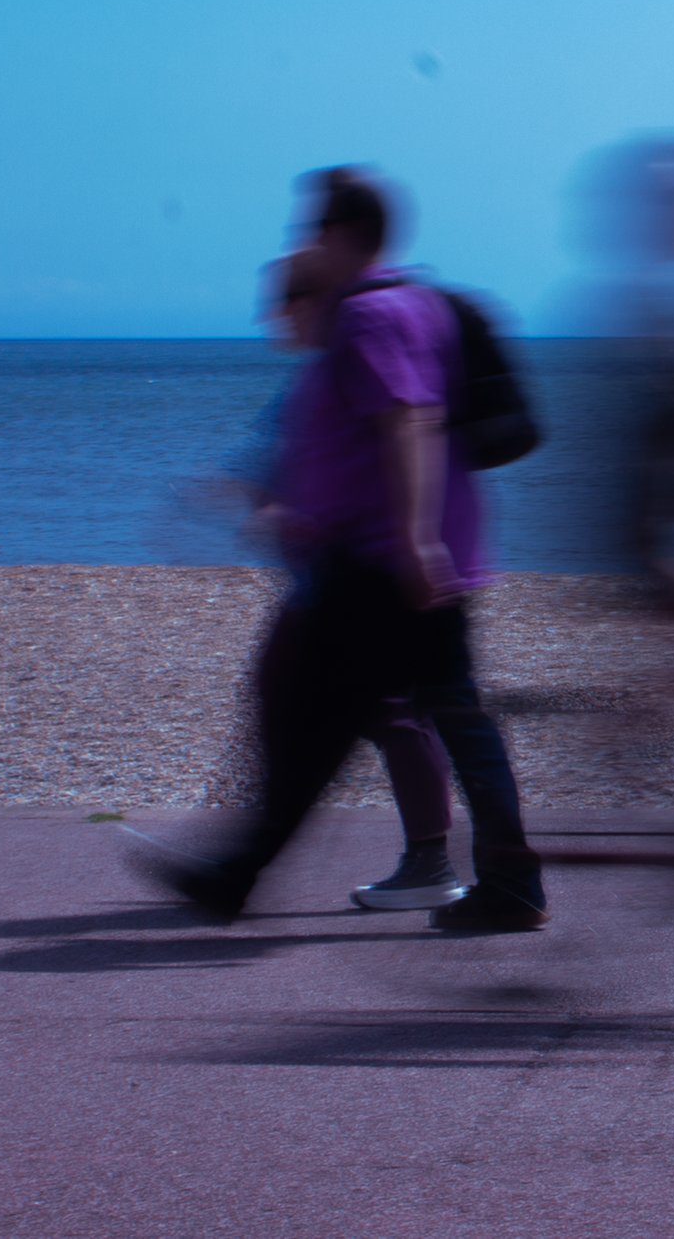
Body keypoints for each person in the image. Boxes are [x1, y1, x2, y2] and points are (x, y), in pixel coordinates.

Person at [153, 166, 545, 932]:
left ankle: (244, 873)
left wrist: (415, 540)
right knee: (433, 715)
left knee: (322, 716)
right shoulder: (416, 304)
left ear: (337, 235)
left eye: (308, 231)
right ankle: (507, 877)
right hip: (402, 554)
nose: (303, 245)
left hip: (379, 561)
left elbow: (407, 418)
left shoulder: (370, 314)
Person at [249, 251, 464, 911]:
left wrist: (410, 544)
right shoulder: (319, 375)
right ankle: (254, 847)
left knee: (392, 710)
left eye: (283, 302)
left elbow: (387, 449)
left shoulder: (350, 363)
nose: (272, 317)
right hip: (330, 576)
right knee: (296, 691)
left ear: (309, 304)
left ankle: (430, 857)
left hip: (362, 574)